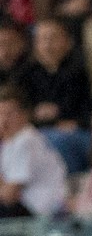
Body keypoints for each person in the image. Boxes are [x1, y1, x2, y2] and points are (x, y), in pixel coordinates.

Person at [20, 17, 92, 174]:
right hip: (38, 131)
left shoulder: (80, 71)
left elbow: (88, 111)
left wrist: (73, 122)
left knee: (56, 140)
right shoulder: (25, 74)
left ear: (68, 42)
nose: (47, 45)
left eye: (53, 38)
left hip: (76, 133)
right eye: (42, 39)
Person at [0, 86, 65, 216]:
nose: (4, 120)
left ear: (24, 114)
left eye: (10, 114)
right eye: (1, 113)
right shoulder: (9, 142)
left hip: (42, 212)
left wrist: (5, 188)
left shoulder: (27, 140)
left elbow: (9, 195)